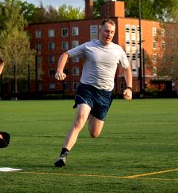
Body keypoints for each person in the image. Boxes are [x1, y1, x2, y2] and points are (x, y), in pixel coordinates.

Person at [54, 18, 132, 167]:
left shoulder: (118, 50)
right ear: (100, 31)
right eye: (106, 31)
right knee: (80, 119)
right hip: (87, 89)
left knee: (94, 133)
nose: (109, 34)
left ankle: (90, 113)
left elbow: (127, 68)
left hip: (105, 95)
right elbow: (65, 55)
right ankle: (63, 155)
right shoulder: (89, 46)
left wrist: (129, 87)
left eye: (112, 32)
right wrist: (59, 70)